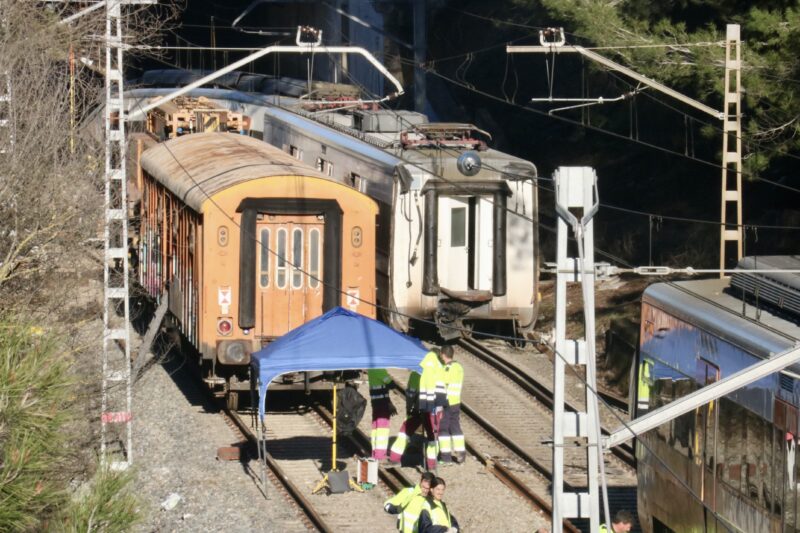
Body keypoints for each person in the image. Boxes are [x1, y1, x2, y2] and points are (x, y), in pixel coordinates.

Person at [438, 346, 465, 465]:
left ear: (443, 355)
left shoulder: (447, 368)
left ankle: (446, 457)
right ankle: (461, 453)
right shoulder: (459, 367)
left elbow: (442, 382)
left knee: (443, 429)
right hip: (455, 401)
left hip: (446, 401)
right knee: (455, 426)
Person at [367, 368, 396, 460]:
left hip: (376, 402)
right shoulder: (379, 370)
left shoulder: (371, 370)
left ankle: (375, 453)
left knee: (376, 428)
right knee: (382, 430)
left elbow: (383, 387)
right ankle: (380, 455)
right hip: (382, 403)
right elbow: (392, 385)